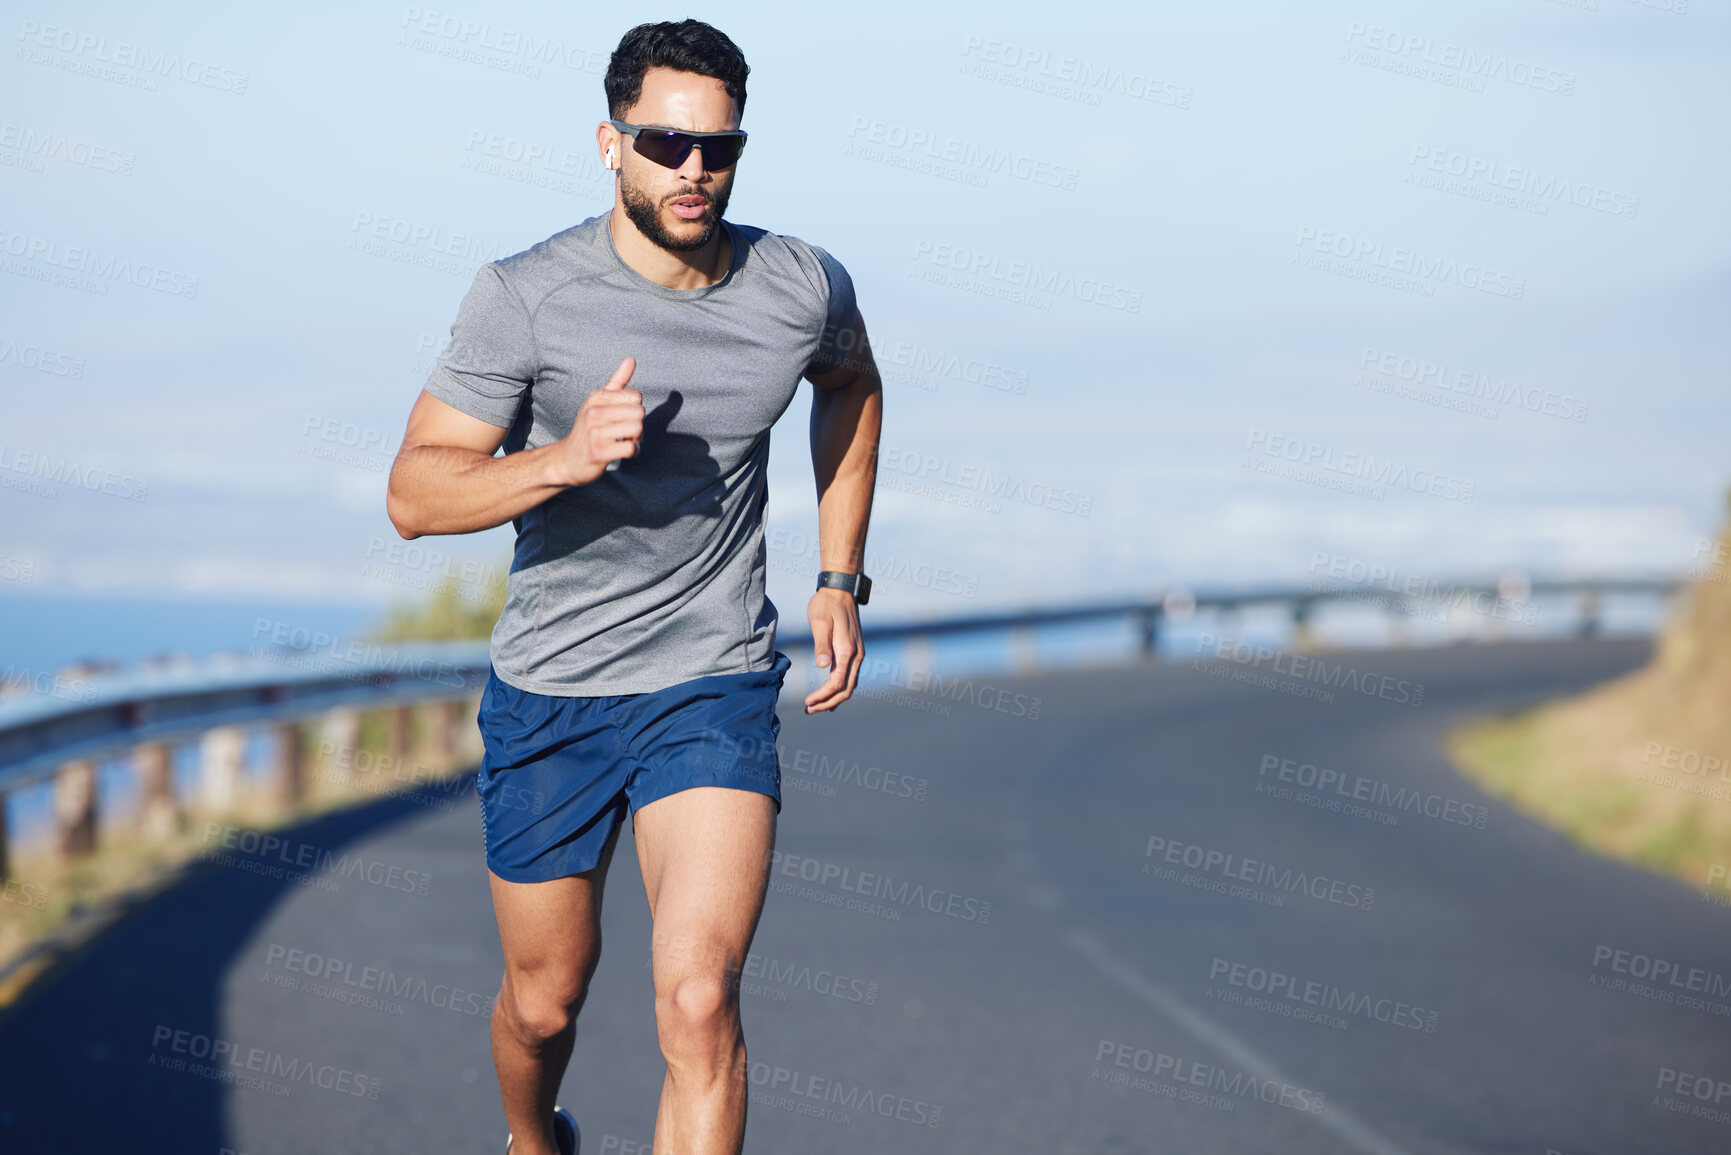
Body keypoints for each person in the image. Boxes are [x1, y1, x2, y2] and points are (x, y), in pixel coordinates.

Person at [383, 19, 882, 1155]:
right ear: (610, 144)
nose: (694, 169)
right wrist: (560, 459)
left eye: (719, 147)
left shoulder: (800, 284)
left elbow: (851, 385)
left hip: (707, 684)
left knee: (699, 1000)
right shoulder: (528, 297)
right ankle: (529, 1138)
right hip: (553, 692)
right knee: (545, 1001)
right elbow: (415, 495)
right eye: (665, 143)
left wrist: (839, 573)